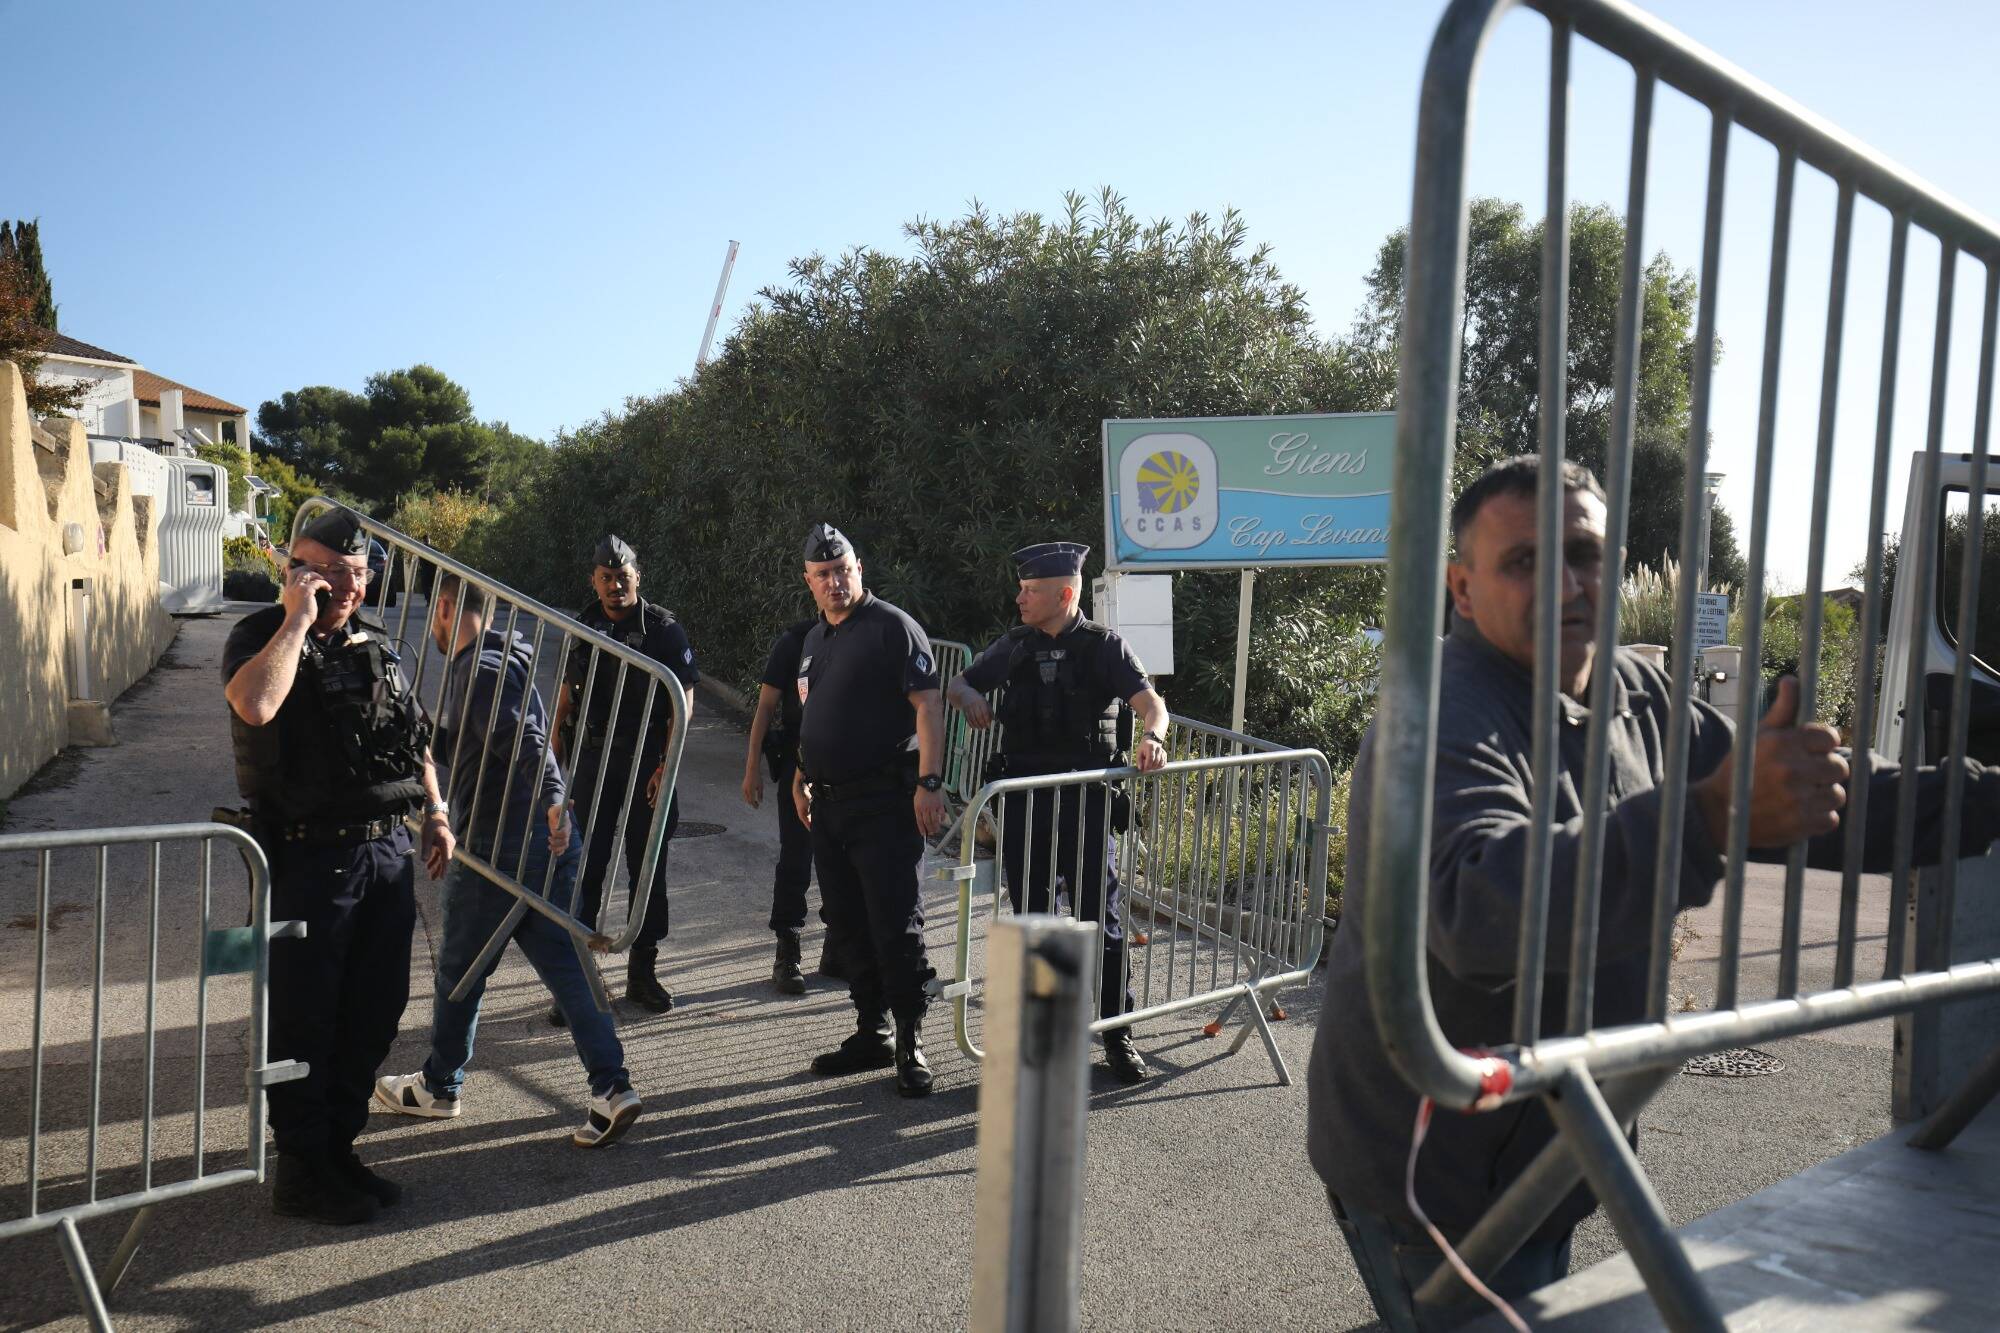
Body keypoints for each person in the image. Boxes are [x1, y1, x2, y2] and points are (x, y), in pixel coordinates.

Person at [1307, 456, 2000, 1330]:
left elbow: (1810, 800)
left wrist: (1984, 795)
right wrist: (1707, 818)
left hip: (1548, 1148)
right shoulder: (1436, 711)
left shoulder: (1635, 692)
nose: (1565, 583)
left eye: (1586, 552)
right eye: (1523, 560)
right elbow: (1475, 909)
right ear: (1463, 587)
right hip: (1436, 1178)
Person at [221, 505, 451, 1225]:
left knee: (374, 1011)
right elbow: (255, 705)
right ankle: (300, 1168)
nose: (342, 587)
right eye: (323, 571)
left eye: (353, 573)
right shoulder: (261, 635)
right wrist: (296, 616)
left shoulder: (377, 644)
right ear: (293, 569)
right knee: (306, 1017)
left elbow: (415, 741)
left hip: (383, 852)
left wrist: (436, 810)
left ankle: (337, 1149)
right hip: (308, 857)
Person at [372, 573, 643, 1149]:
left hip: (500, 849)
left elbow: (524, 739)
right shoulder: (500, 658)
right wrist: (423, 737)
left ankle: (440, 1087)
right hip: (536, 850)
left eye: (435, 618)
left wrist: (551, 797)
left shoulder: (483, 668)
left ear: (445, 609)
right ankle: (612, 1089)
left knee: (458, 972)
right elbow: (488, 742)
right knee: (566, 968)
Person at [945, 542, 1170, 1084]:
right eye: (1021, 589)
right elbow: (959, 682)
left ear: (1065, 594)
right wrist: (967, 697)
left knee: (1102, 922)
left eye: (1031, 591)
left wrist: (1153, 739)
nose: (1019, 599)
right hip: (1026, 807)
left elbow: (1151, 704)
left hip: (1088, 805)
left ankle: (1118, 1035)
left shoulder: (1104, 647)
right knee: (1034, 922)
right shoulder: (1016, 645)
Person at [790, 523, 945, 1097]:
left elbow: (928, 706)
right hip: (829, 809)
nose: (835, 581)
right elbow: (814, 715)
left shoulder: (893, 628)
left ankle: (910, 1043)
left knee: (896, 925)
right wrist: (801, 776)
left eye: (843, 569)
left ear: (860, 568)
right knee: (848, 924)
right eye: (823, 574)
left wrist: (929, 782)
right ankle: (871, 1032)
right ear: (809, 582)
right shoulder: (814, 640)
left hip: (886, 804)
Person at [550, 534, 699, 1021]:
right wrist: (555, 759)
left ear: (639, 577)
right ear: (594, 581)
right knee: (584, 865)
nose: (616, 585)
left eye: (624, 576)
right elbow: (568, 695)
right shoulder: (585, 624)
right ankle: (576, 981)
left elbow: (683, 703)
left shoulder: (663, 630)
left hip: (648, 760)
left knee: (646, 865)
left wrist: (666, 764)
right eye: (607, 578)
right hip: (594, 759)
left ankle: (643, 973)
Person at [742, 615, 829, 994]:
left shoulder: (869, 635)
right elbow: (765, 707)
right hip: (801, 761)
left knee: (843, 861)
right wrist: (751, 770)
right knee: (797, 857)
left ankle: (840, 946)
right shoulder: (796, 641)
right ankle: (787, 951)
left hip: (852, 765)